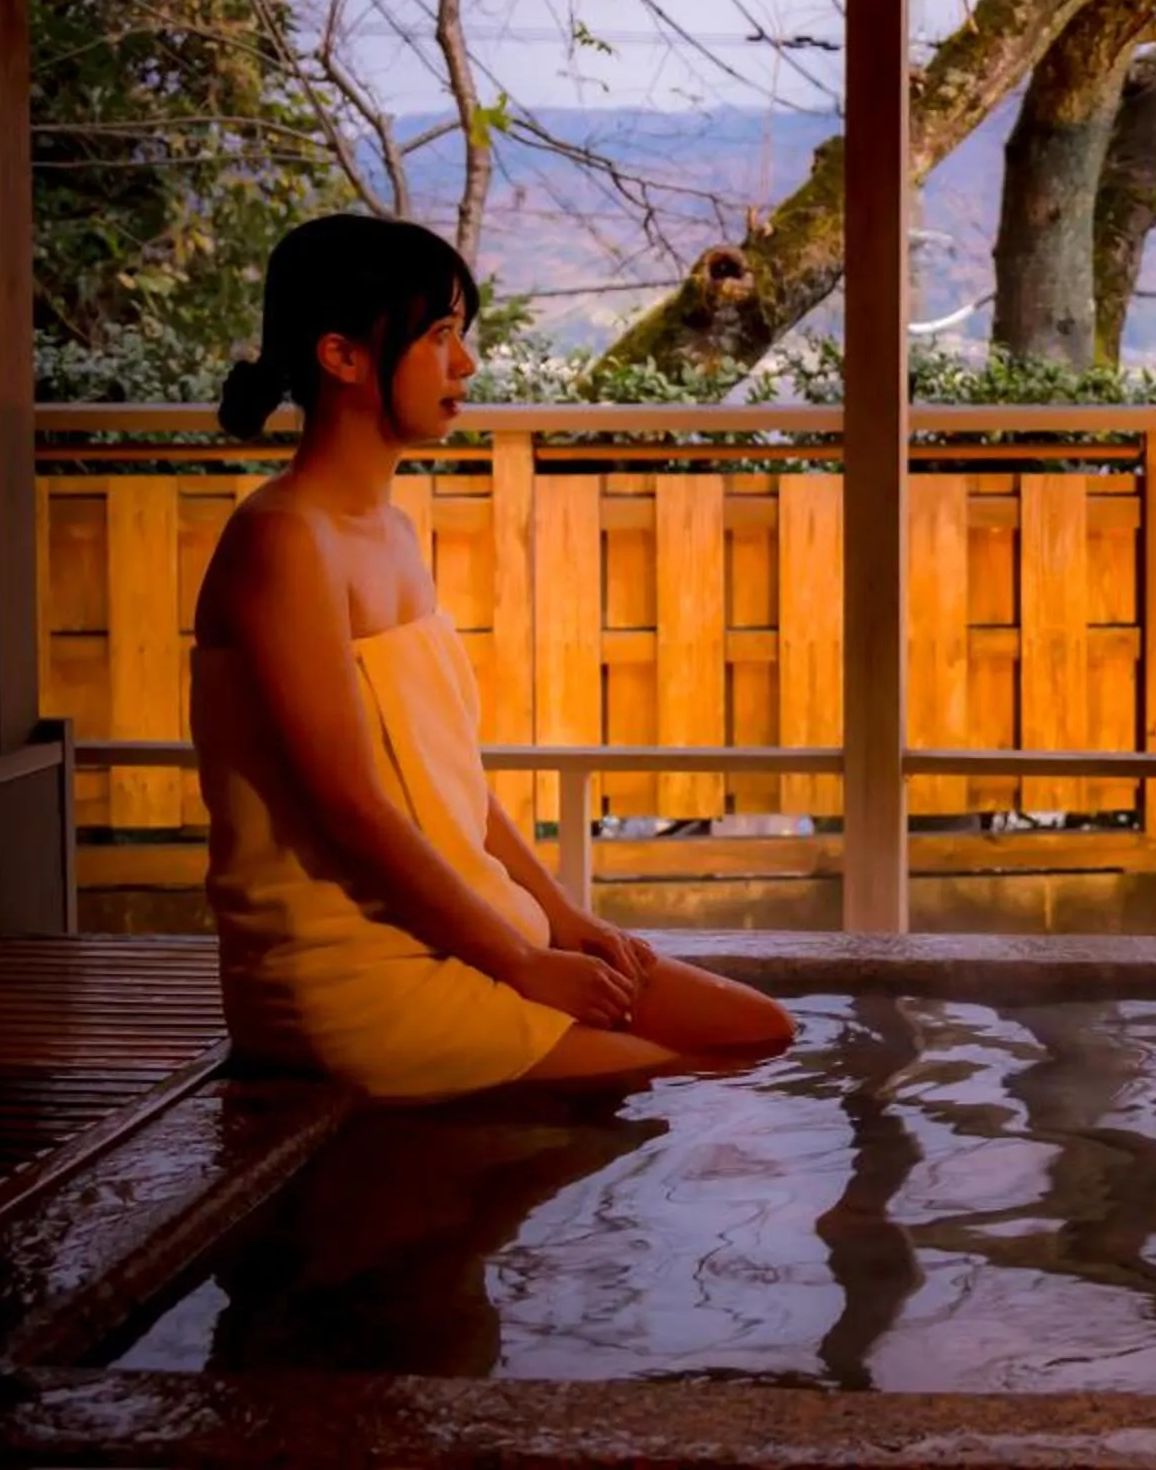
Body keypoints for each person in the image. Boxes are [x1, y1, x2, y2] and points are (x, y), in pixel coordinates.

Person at [192, 213, 793, 1099]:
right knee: (675, 1089)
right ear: (342, 356)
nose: (465, 364)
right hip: (357, 974)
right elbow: (348, 812)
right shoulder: (282, 543)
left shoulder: (389, 532)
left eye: (459, 336)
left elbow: (454, 789)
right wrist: (520, 963)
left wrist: (562, 921)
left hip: (470, 933)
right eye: (439, 337)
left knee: (759, 1035)